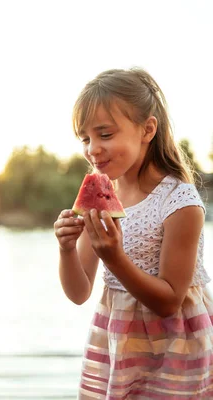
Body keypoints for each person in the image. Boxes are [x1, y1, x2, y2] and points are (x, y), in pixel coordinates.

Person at [54, 68, 213, 398]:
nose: (92, 149)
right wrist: (66, 249)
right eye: (85, 138)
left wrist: (115, 258)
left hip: (175, 348)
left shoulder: (179, 201)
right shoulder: (102, 195)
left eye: (105, 135)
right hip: (119, 344)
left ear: (147, 129)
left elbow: (169, 301)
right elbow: (79, 291)